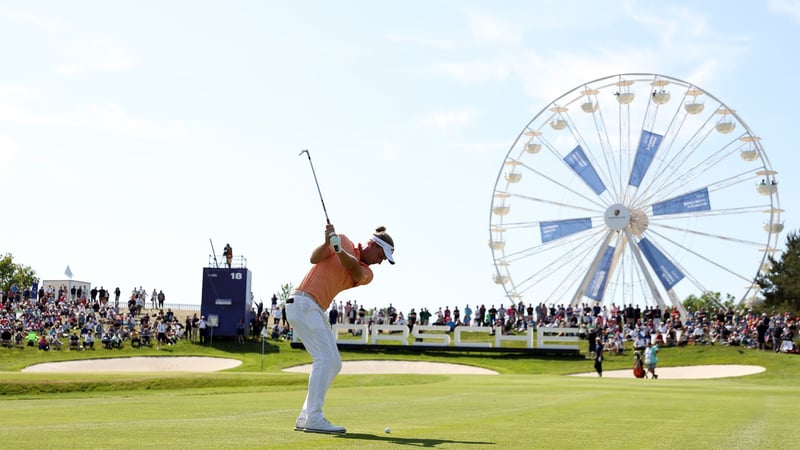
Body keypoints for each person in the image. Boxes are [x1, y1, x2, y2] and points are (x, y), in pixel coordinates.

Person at [286, 224, 395, 434]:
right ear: (373, 245)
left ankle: (306, 416)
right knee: (324, 359)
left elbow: (353, 268)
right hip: (302, 302)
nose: (381, 261)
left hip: (314, 308)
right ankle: (314, 418)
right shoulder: (342, 239)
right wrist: (328, 243)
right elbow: (314, 259)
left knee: (334, 363)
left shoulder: (368, 273)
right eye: (382, 255)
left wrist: (338, 251)